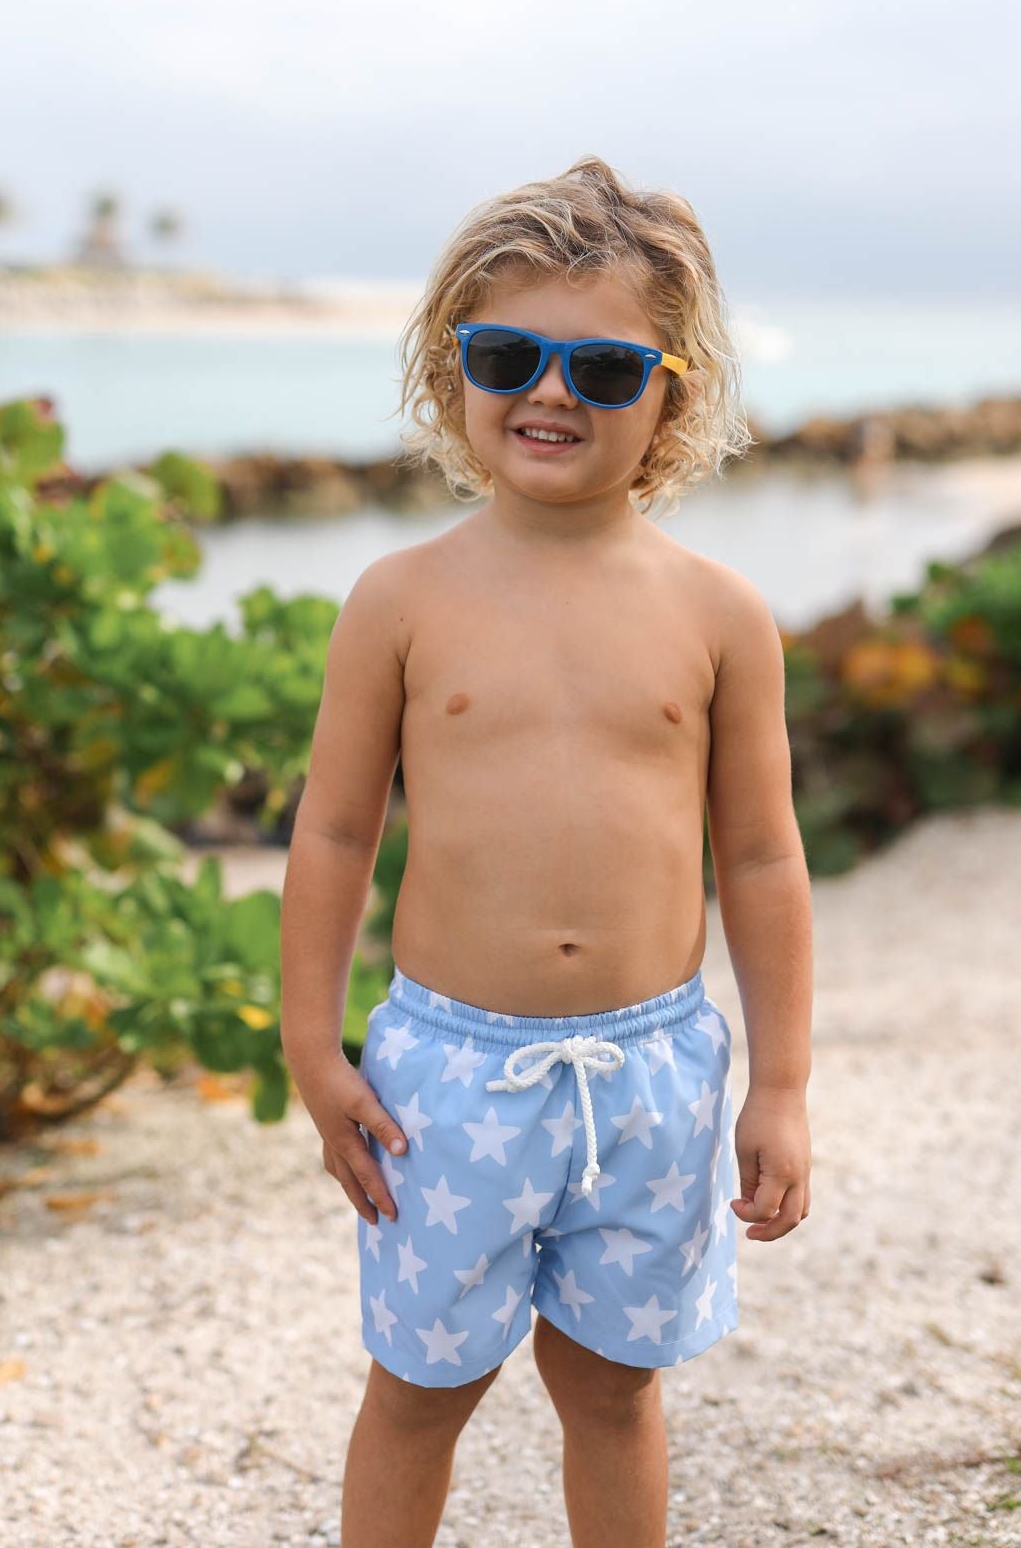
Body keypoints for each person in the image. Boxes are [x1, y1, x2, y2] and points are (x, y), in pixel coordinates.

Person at [279, 154, 813, 1548]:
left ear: (673, 397)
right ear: (451, 373)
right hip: (444, 1075)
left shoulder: (719, 615)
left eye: (605, 369)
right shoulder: (400, 601)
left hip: (653, 1075)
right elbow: (336, 830)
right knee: (415, 1390)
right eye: (508, 354)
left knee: (614, 1392)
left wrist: (784, 1084)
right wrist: (311, 1044)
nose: (553, 392)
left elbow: (760, 860)